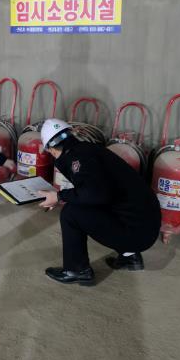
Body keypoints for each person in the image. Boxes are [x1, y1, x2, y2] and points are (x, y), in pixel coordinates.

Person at [36, 119, 160, 285]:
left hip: (138, 233)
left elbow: (94, 194)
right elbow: (98, 192)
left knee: (70, 213)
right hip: (147, 225)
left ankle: (77, 270)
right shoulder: (87, 149)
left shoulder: (77, 159)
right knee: (83, 203)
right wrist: (61, 197)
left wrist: (59, 197)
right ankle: (130, 257)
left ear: (51, 149)